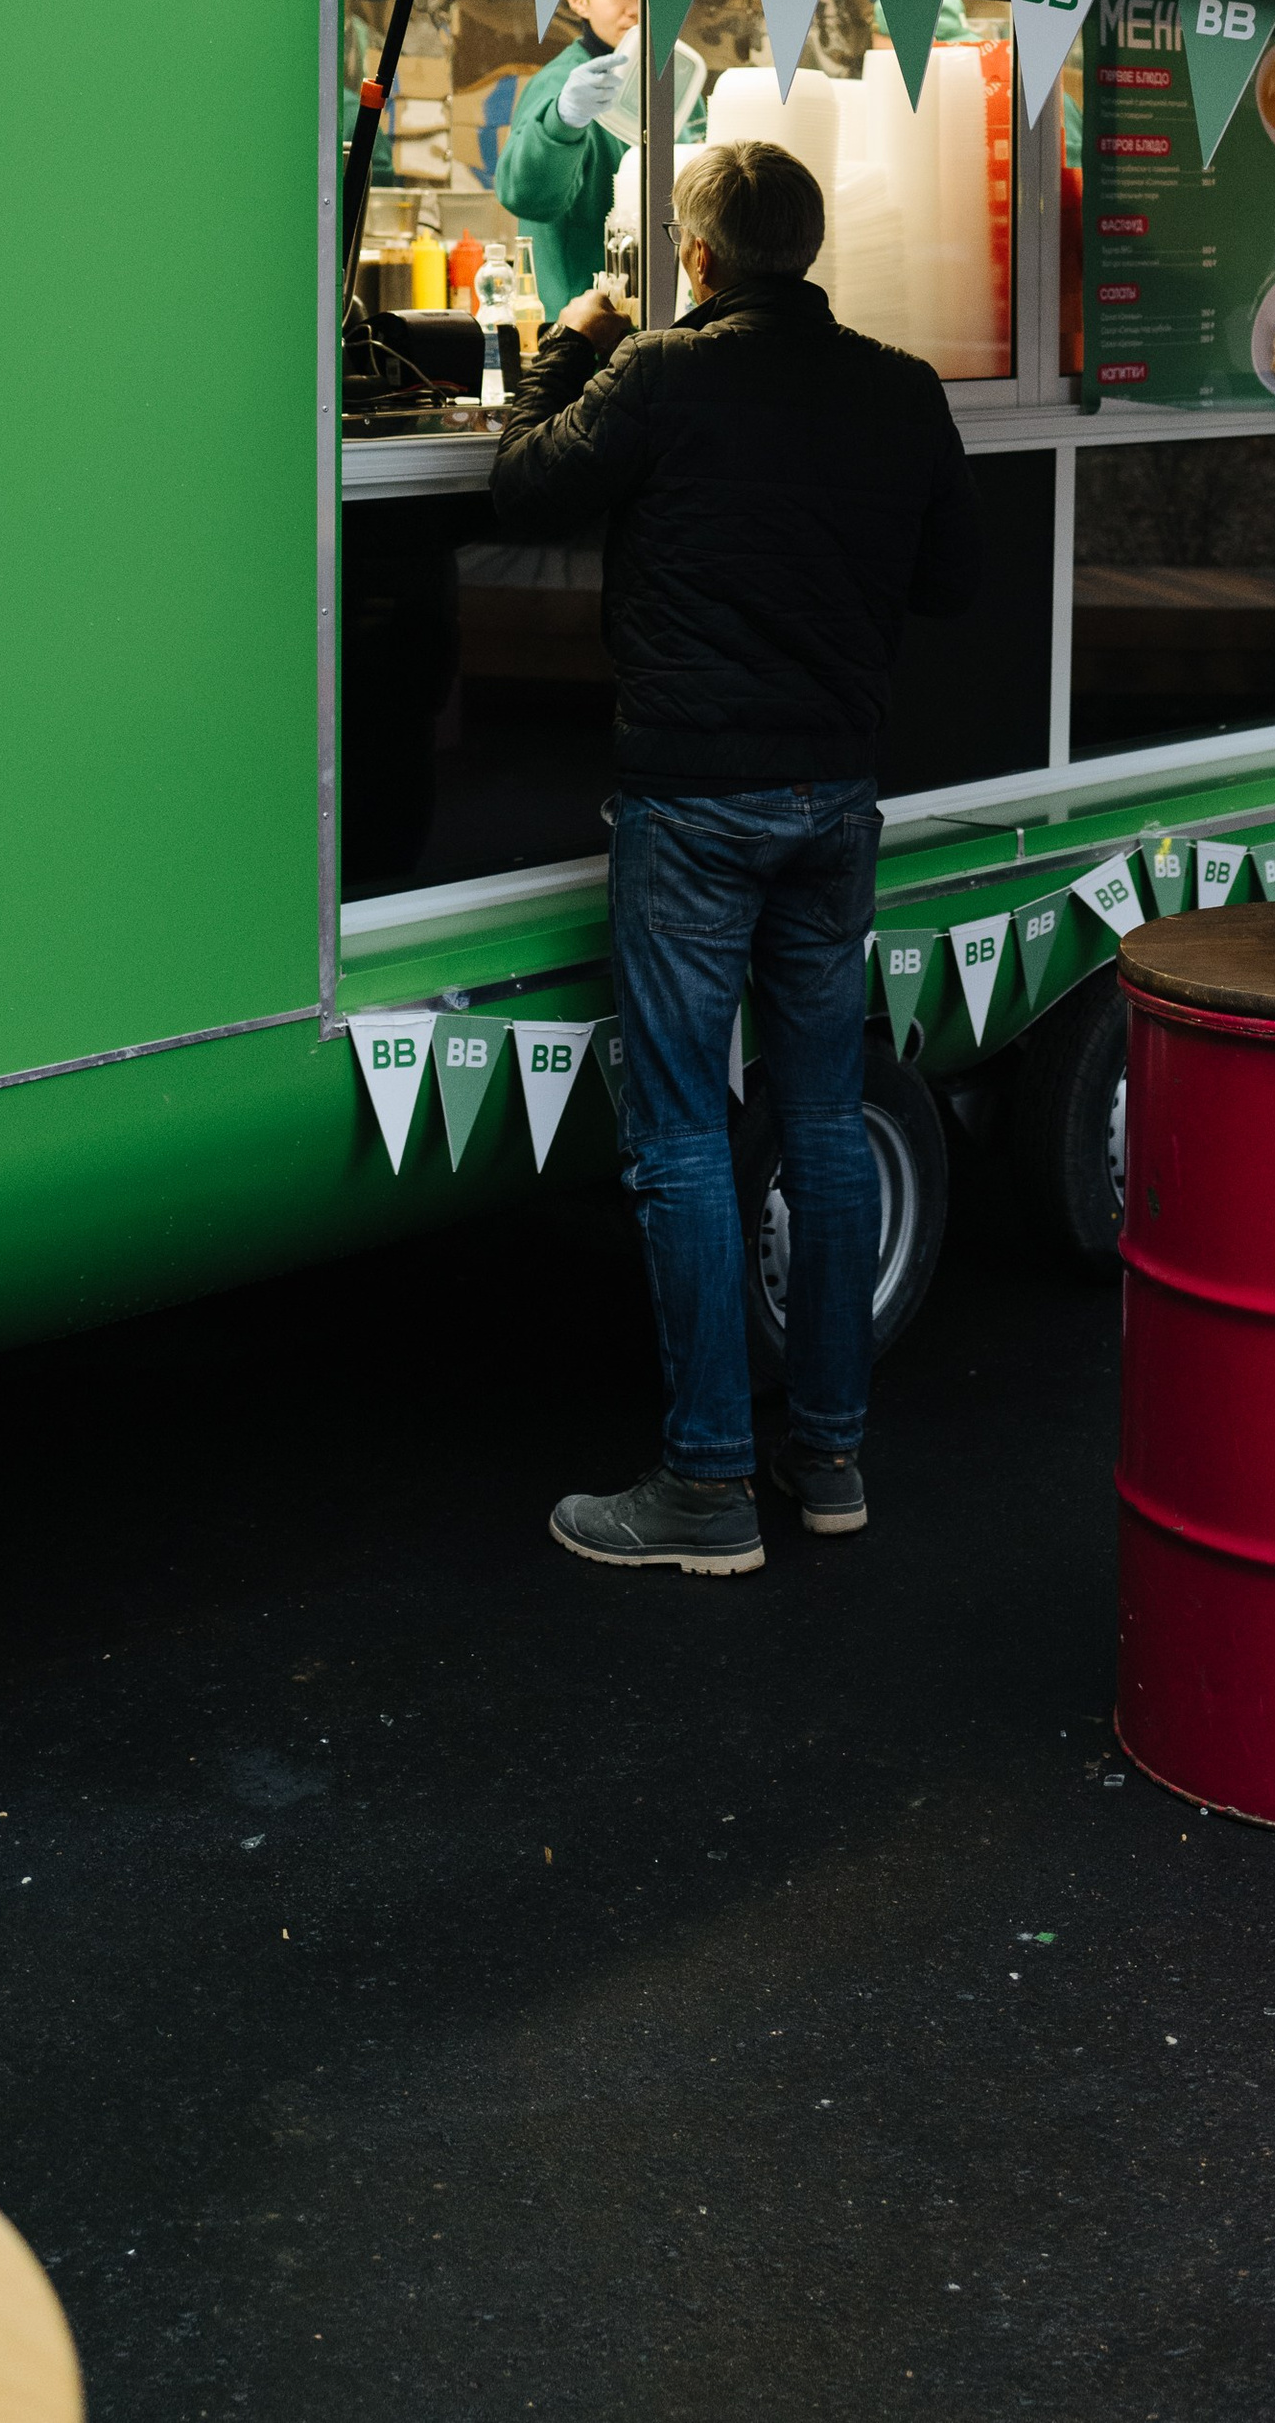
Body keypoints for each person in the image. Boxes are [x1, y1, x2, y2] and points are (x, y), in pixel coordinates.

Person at [490, 136, 983, 1576]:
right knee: (826, 1129)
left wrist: (566, 338)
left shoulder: (659, 376)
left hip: (693, 803)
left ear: (695, 262)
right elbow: (953, 579)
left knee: (684, 1136)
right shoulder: (899, 389)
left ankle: (706, 1483)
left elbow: (522, 486)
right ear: (810, 253)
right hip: (835, 798)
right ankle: (827, 1456)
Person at [497, 0, 641, 320]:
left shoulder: (669, 87)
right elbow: (525, 196)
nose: (634, 8)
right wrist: (562, 122)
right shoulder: (561, 86)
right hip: (580, 332)